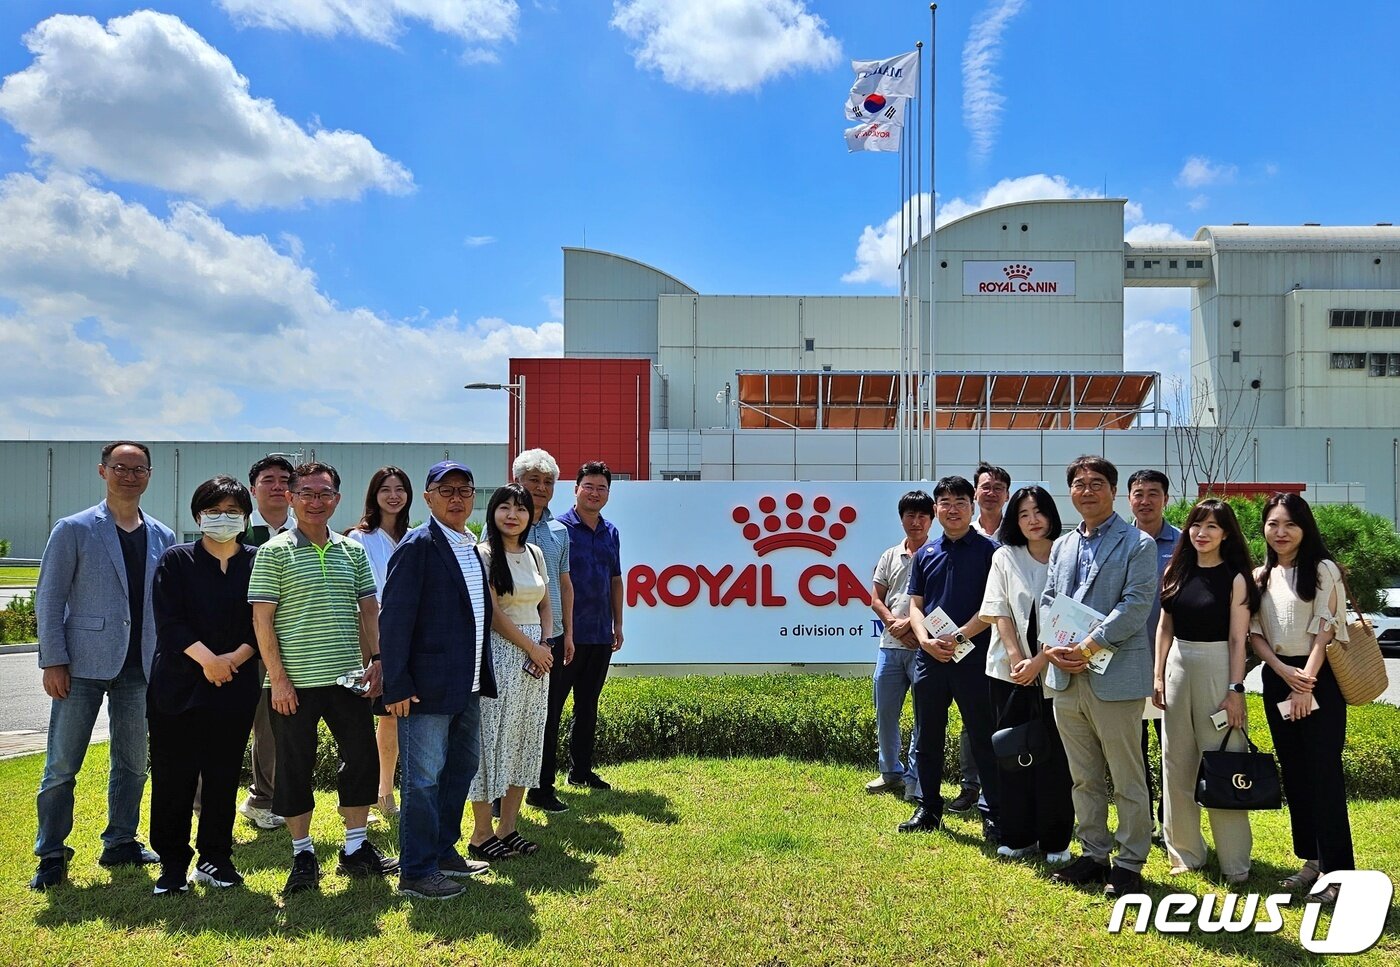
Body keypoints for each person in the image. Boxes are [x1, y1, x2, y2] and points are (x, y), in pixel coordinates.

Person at [30, 441, 177, 890]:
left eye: (138, 469)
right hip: (82, 666)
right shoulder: (73, 528)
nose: (129, 475)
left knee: (132, 763)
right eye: (120, 467)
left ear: (149, 475)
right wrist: (53, 659)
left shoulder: (163, 535)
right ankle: (51, 852)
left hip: (140, 668)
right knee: (61, 765)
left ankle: (120, 841)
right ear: (103, 471)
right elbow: (50, 597)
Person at [247, 461, 398, 896]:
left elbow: (369, 610)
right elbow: (263, 620)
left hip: (350, 680)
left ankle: (355, 849)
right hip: (293, 683)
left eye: (325, 494)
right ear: (292, 497)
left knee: (362, 761)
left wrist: (378, 659)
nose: (316, 501)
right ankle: (303, 854)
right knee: (295, 768)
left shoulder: (352, 551)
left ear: (337, 498)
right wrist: (278, 678)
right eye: (307, 493)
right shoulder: (274, 552)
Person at [379, 461, 497, 899]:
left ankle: (444, 850)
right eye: (445, 490)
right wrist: (398, 683)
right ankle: (415, 869)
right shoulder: (418, 545)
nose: (456, 498)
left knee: (461, 768)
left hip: (464, 686)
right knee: (423, 780)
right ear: (427, 498)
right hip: (424, 688)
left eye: (464, 490)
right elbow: (394, 621)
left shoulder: (470, 543)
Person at [1042, 455, 1158, 899]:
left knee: (1127, 776)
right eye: (1078, 483)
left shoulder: (1138, 544)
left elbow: (1135, 604)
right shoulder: (1062, 545)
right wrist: (1054, 647)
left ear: (1113, 491)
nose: (1086, 490)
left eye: (1096, 483)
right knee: (1084, 775)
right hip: (1066, 675)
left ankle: (1129, 862)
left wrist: (1089, 645)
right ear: (1069, 491)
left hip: (1114, 675)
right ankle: (1093, 853)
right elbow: (1050, 598)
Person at [147, 476, 261, 895]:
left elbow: (265, 621)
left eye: (232, 512)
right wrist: (209, 660)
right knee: (174, 776)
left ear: (246, 518)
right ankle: (172, 864)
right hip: (178, 686)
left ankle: (215, 857)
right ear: (198, 516)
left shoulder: (258, 561)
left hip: (236, 683)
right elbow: (169, 621)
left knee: (222, 773)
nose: (223, 518)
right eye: (214, 511)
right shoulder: (176, 560)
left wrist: (234, 658)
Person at [1249, 492, 1355, 904]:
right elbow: (1256, 634)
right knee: (1294, 772)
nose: (1280, 532)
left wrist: (1304, 681)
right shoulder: (1260, 576)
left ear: (1304, 527)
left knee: (1324, 773)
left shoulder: (1324, 569)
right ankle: (1310, 862)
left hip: (1319, 677)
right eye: (1273, 524)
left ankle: (1338, 872)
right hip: (1279, 678)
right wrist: (1281, 672)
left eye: (1289, 524)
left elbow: (1326, 625)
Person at [1153, 498, 1257, 884]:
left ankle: (1235, 863)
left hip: (1218, 668)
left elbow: (1236, 640)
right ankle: (1185, 853)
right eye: (1197, 525)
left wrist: (1235, 689)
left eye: (1212, 526)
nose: (1202, 533)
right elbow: (1165, 628)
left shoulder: (1236, 578)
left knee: (1224, 761)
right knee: (1175, 762)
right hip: (1177, 665)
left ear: (1226, 533)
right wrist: (1159, 675)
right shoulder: (1175, 570)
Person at [899, 476, 1000, 841]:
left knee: (982, 736)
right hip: (931, 660)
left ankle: (993, 813)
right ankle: (928, 807)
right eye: (945, 502)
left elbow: (992, 608)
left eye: (960, 501)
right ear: (936, 509)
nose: (952, 508)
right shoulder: (925, 554)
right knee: (927, 735)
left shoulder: (991, 552)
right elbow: (916, 604)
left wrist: (958, 636)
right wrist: (925, 641)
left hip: (974, 659)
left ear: (972, 506)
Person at [979, 486, 1074, 864]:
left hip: (1059, 672)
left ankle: (1056, 841)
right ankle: (1018, 836)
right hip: (1009, 673)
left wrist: (1040, 660)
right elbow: (998, 609)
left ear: (1051, 514)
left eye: (1038, 511)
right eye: (1023, 514)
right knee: (1013, 751)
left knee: (1057, 758)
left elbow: (1071, 613)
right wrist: (1020, 659)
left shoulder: (1069, 552)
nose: (1032, 520)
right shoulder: (1005, 556)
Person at [467, 484, 554, 861]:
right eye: (505, 507)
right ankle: (481, 833)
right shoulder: (483, 554)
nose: (513, 515)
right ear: (493, 512)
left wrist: (545, 644)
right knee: (491, 741)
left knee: (525, 738)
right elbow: (493, 614)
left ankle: (509, 828)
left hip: (537, 660)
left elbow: (546, 605)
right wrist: (531, 647)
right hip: (501, 654)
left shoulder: (535, 553)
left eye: (521, 508)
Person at [513, 449, 577, 815]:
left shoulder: (559, 531)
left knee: (548, 716)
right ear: (517, 481)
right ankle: (498, 793)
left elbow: (565, 585)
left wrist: (567, 634)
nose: (540, 487)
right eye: (533, 480)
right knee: (508, 715)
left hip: (551, 637)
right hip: (512, 635)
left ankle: (542, 788)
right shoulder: (504, 523)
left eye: (547, 482)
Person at [347, 466, 413, 820]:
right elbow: (364, 597)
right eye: (385, 489)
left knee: (394, 719)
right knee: (365, 720)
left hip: (409, 639)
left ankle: (385, 793)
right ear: (374, 495)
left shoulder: (416, 537)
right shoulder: (359, 539)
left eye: (400, 489)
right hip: (371, 638)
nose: (393, 495)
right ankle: (365, 795)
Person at [238, 455, 297, 832]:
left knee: (278, 726)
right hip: (241, 648)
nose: (277, 486)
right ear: (252, 489)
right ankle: (202, 803)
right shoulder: (237, 532)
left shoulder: (308, 531)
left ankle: (266, 798)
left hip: (294, 644)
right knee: (232, 725)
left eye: (284, 480)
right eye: (268, 480)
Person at [557, 461, 623, 790]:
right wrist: (562, 630)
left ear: (608, 494)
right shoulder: (559, 530)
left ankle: (581, 771)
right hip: (566, 635)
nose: (595, 493)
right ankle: (541, 782)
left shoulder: (611, 532)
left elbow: (615, 580)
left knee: (588, 706)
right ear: (576, 489)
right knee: (552, 708)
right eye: (589, 486)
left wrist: (618, 625)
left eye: (602, 488)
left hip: (600, 633)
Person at [866, 490, 932, 802]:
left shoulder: (938, 553)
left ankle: (914, 779)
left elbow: (944, 601)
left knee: (924, 717)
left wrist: (914, 627)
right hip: (889, 648)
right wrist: (894, 622)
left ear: (931, 518)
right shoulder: (890, 555)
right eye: (910, 515)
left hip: (924, 649)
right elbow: (875, 598)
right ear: (901, 518)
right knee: (885, 713)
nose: (916, 522)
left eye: (922, 516)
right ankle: (889, 771)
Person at [955, 462, 1011, 813]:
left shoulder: (1018, 531)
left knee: (1004, 718)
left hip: (1009, 643)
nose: (990, 492)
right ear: (975, 493)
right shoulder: (961, 531)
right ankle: (969, 786)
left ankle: (1002, 787)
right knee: (970, 718)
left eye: (998, 487)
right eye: (985, 486)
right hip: (970, 641)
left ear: (1007, 494)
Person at [1128, 468, 1178, 840]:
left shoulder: (1183, 545)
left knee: (1171, 748)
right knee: (1132, 749)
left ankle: (1170, 823)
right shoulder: (1119, 542)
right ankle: (1141, 821)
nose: (1145, 501)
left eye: (1153, 493)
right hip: (1124, 663)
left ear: (1165, 498)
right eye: (1138, 493)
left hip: (1172, 665)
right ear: (1128, 498)